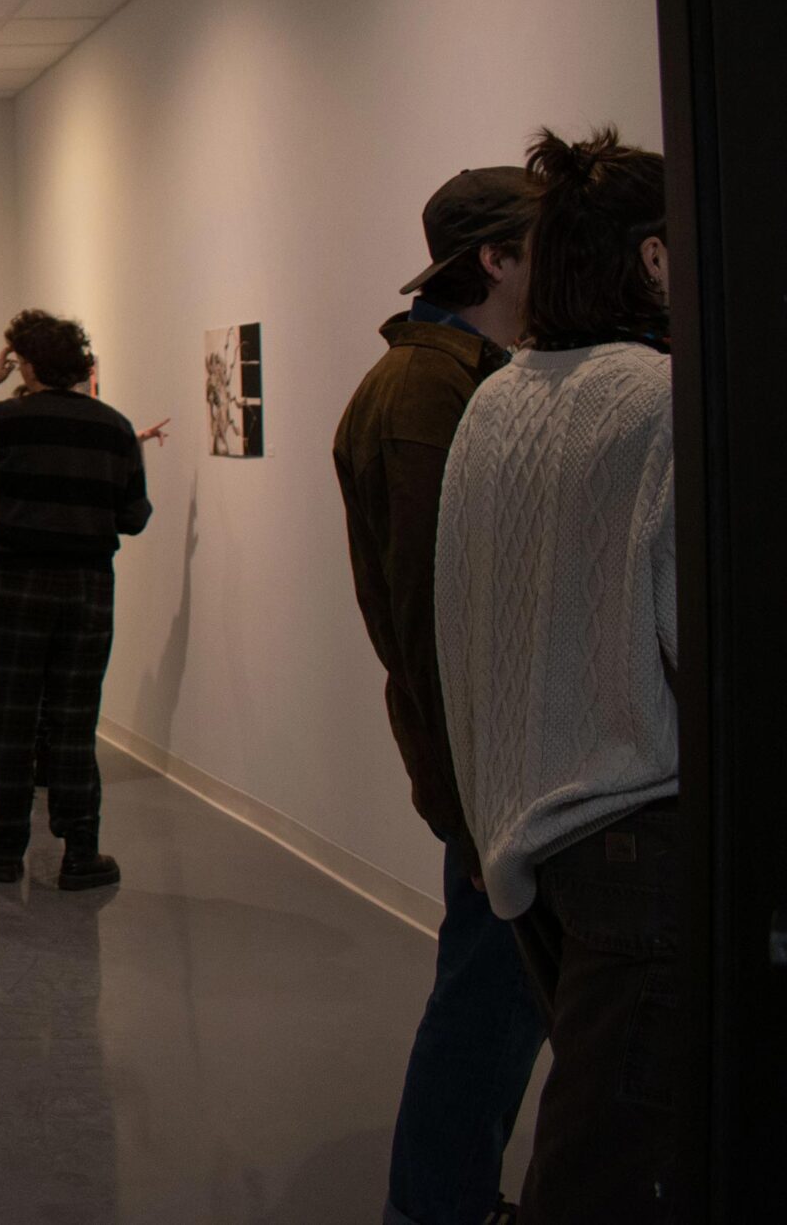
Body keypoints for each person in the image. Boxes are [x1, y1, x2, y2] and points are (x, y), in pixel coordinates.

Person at [436, 129, 676, 1224]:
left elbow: (461, 618)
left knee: (596, 1137)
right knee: (609, 1165)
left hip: (530, 832)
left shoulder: (494, 398)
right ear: (656, 260)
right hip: (640, 824)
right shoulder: (661, 401)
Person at [333, 167, 549, 1225]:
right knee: (487, 995)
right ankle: (440, 1205)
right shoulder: (428, 390)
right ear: (495, 260)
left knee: (493, 988)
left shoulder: (453, 375)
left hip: (485, 751)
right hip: (487, 758)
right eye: (542, 244)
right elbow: (433, 610)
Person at [0, 310, 150, 889]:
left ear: (26, 363)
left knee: (10, 720)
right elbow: (134, 518)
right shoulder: (115, 427)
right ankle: (80, 852)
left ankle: (5, 852)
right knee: (74, 722)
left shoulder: (7, 419)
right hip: (88, 588)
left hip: (19, 583)